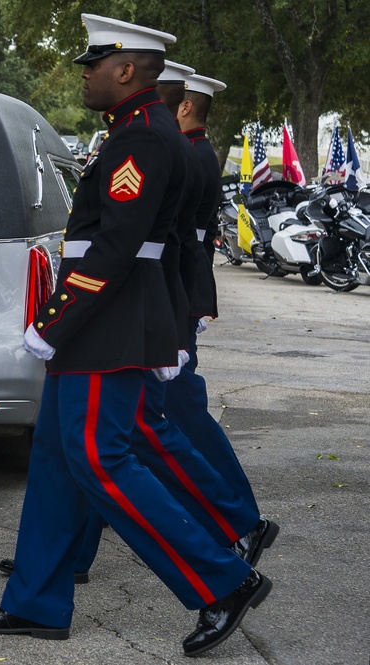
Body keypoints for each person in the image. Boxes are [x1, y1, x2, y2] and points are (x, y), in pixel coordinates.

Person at [0, 15, 272, 658]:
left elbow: (115, 248)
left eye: (93, 63)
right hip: (105, 325)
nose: (83, 73)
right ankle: (37, 602)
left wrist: (53, 322)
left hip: (107, 328)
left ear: (126, 69)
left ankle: (222, 582)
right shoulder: (134, 134)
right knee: (56, 459)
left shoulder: (144, 140)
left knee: (104, 462)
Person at [166, 73, 264, 514]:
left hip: (177, 295)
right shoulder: (198, 153)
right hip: (182, 292)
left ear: (185, 107)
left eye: (167, 100)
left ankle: (237, 510)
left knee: (181, 410)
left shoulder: (191, 156)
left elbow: (184, 239)